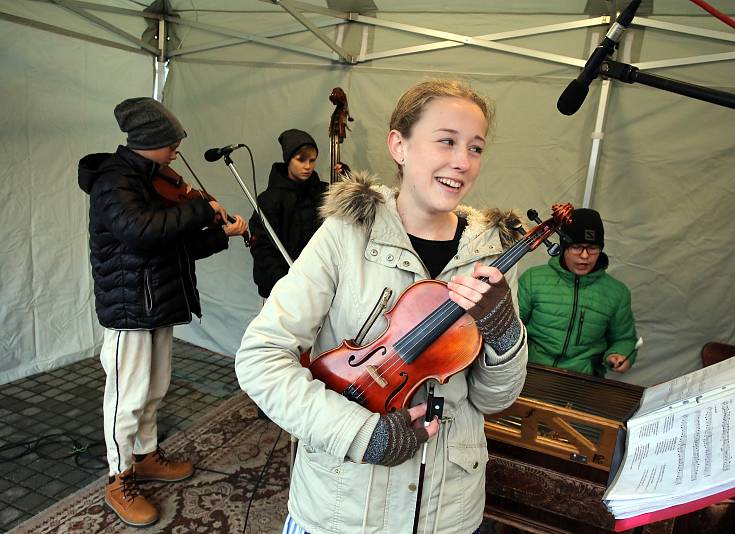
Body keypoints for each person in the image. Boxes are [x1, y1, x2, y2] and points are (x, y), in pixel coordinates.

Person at [236, 79, 528, 534]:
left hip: (447, 512)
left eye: (475, 148)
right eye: (446, 141)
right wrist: (361, 434)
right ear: (399, 145)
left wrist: (505, 333)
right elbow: (260, 359)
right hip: (341, 509)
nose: (462, 162)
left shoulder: (492, 255)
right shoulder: (344, 235)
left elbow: (494, 399)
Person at [78, 97, 248, 527]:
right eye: (172, 142)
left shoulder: (154, 180)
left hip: (159, 300)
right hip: (129, 305)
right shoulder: (113, 182)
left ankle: (147, 454)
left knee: (154, 389)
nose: (178, 149)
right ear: (149, 142)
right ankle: (119, 478)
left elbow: (176, 247)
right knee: (126, 398)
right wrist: (197, 208)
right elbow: (138, 233)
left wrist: (219, 234)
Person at [517, 208, 638, 377]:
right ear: (564, 247)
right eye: (576, 247)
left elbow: (624, 339)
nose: (584, 256)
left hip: (582, 379)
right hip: (529, 372)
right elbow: (510, 329)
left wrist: (619, 354)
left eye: (592, 248)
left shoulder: (618, 293)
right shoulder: (532, 279)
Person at [249, 129, 329, 299]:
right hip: (280, 290)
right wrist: (284, 281)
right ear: (288, 159)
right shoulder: (268, 200)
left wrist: (347, 179)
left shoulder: (324, 193)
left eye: (312, 160)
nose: (308, 166)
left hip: (319, 286)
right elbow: (263, 248)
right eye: (300, 160)